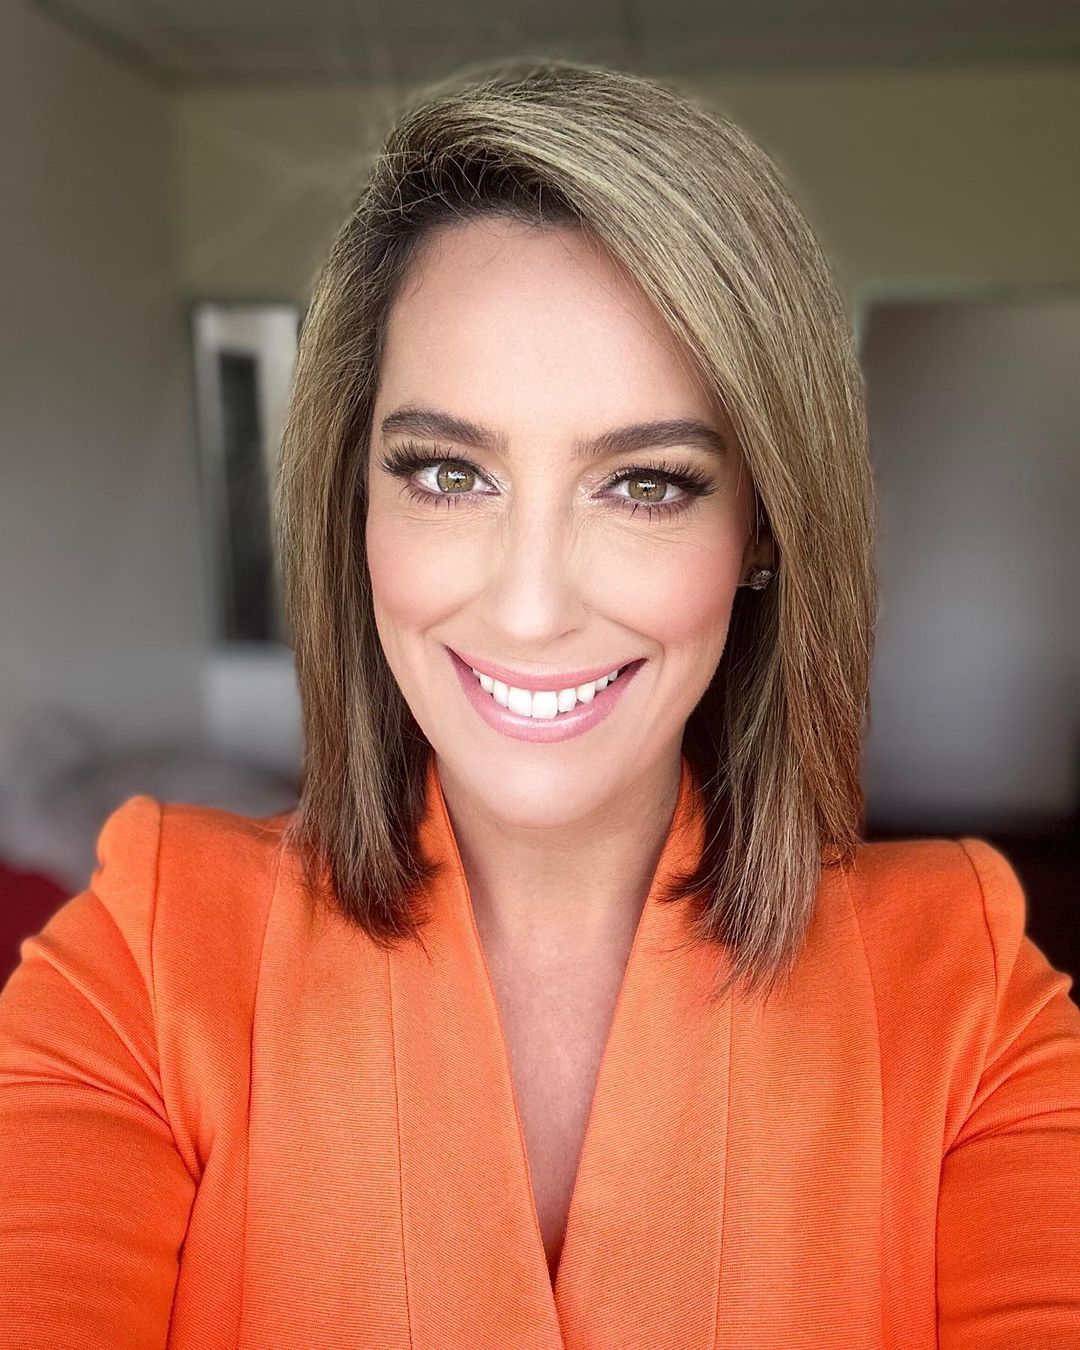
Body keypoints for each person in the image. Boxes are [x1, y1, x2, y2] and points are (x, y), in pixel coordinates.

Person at [2, 57, 1078, 1349]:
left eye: (646, 483)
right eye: (448, 473)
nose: (526, 607)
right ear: (356, 497)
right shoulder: (143, 960)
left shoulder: (970, 999)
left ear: (761, 524)